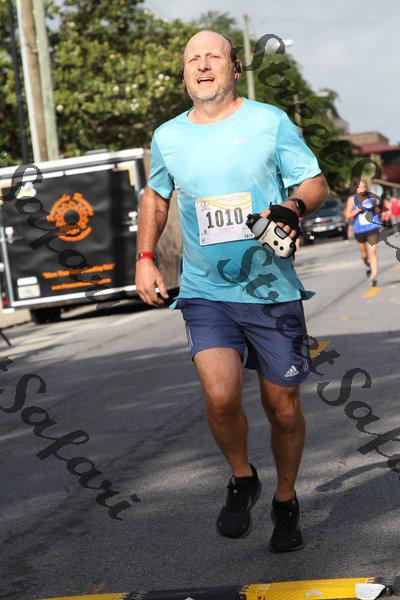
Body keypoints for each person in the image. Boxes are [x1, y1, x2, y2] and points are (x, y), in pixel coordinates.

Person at [135, 30, 327, 552]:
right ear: (184, 73)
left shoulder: (270, 122)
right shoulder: (169, 136)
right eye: (192, 59)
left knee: (281, 407)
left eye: (213, 57)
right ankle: (243, 477)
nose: (202, 66)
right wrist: (145, 258)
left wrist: (292, 208)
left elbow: (313, 182)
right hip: (206, 291)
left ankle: (285, 500)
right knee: (220, 397)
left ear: (235, 68)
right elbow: (156, 195)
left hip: (272, 290)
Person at [345, 180, 381, 286]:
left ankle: (373, 276)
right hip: (359, 230)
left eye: (364, 187)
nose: (362, 189)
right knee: (364, 254)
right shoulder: (351, 199)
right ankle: (368, 265)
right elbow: (347, 215)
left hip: (373, 228)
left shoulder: (372, 197)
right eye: (360, 187)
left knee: (372, 252)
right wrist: (357, 210)